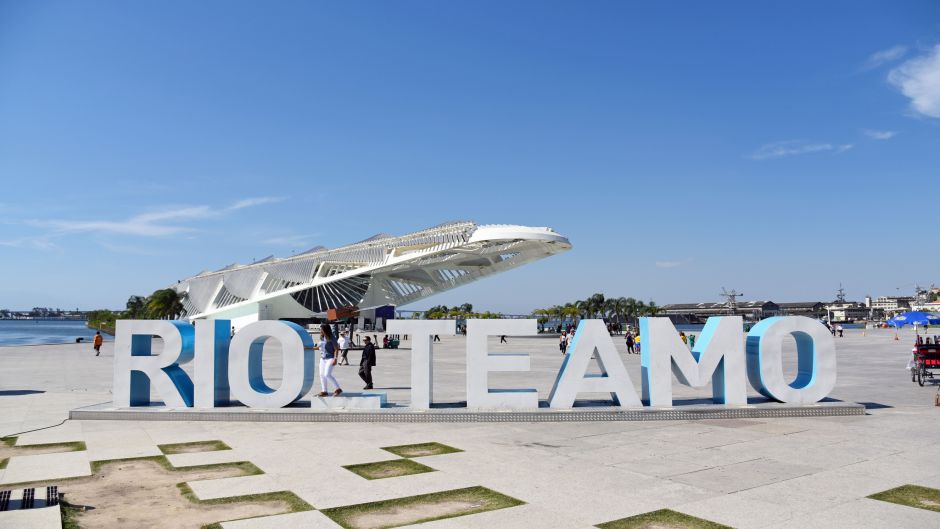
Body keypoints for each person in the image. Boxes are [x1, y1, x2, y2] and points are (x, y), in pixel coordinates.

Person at [316, 324, 342, 397]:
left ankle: (338, 389)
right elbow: (319, 347)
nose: (320, 330)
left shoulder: (332, 337)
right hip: (323, 358)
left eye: (321, 329)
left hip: (330, 358)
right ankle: (324, 391)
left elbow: (336, 349)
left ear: (325, 329)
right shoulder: (321, 337)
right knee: (321, 375)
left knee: (327, 374)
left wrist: (335, 359)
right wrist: (307, 348)